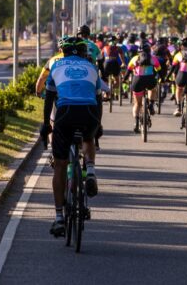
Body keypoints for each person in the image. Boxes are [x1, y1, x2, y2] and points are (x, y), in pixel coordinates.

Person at [40, 37, 109, 237]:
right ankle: (92, 172)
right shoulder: (91, 67)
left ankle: (59, 217)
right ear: (82, 52)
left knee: (60, 164)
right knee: (87, 139)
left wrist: (46, 125)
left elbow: (49, 100)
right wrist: (98, 125)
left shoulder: (56, 65)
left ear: (64, 52)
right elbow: (98, 101)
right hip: (89, 113)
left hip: (65, 113)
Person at [124, 43, 161, 133]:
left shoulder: (135, 58)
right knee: (153, 88)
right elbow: (159, 69)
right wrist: (161, 78)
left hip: (137, 81)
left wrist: (124, 79)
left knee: (137, 104)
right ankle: (151, 104)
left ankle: (136, 123)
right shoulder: (153, 58)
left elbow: (128, 71)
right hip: (150, 79)